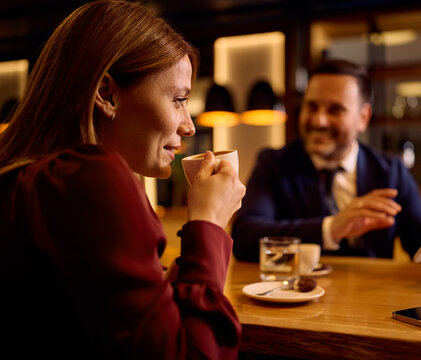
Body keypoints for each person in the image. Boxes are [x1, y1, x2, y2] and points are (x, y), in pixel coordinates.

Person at [0, 1, 245, 359]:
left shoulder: (26, 179)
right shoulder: (86, 177)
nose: (189, 125)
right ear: (105, 93)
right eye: (178, 100)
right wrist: (209, 223)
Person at [232, 59, 421, 266]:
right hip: (293, 305)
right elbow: (245, 238)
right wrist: (332, 228)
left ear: (363, 117)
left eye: (334, 109)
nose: (318, 120)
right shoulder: (274, 163)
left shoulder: (390, 172)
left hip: (373, 306)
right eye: (311, 106)